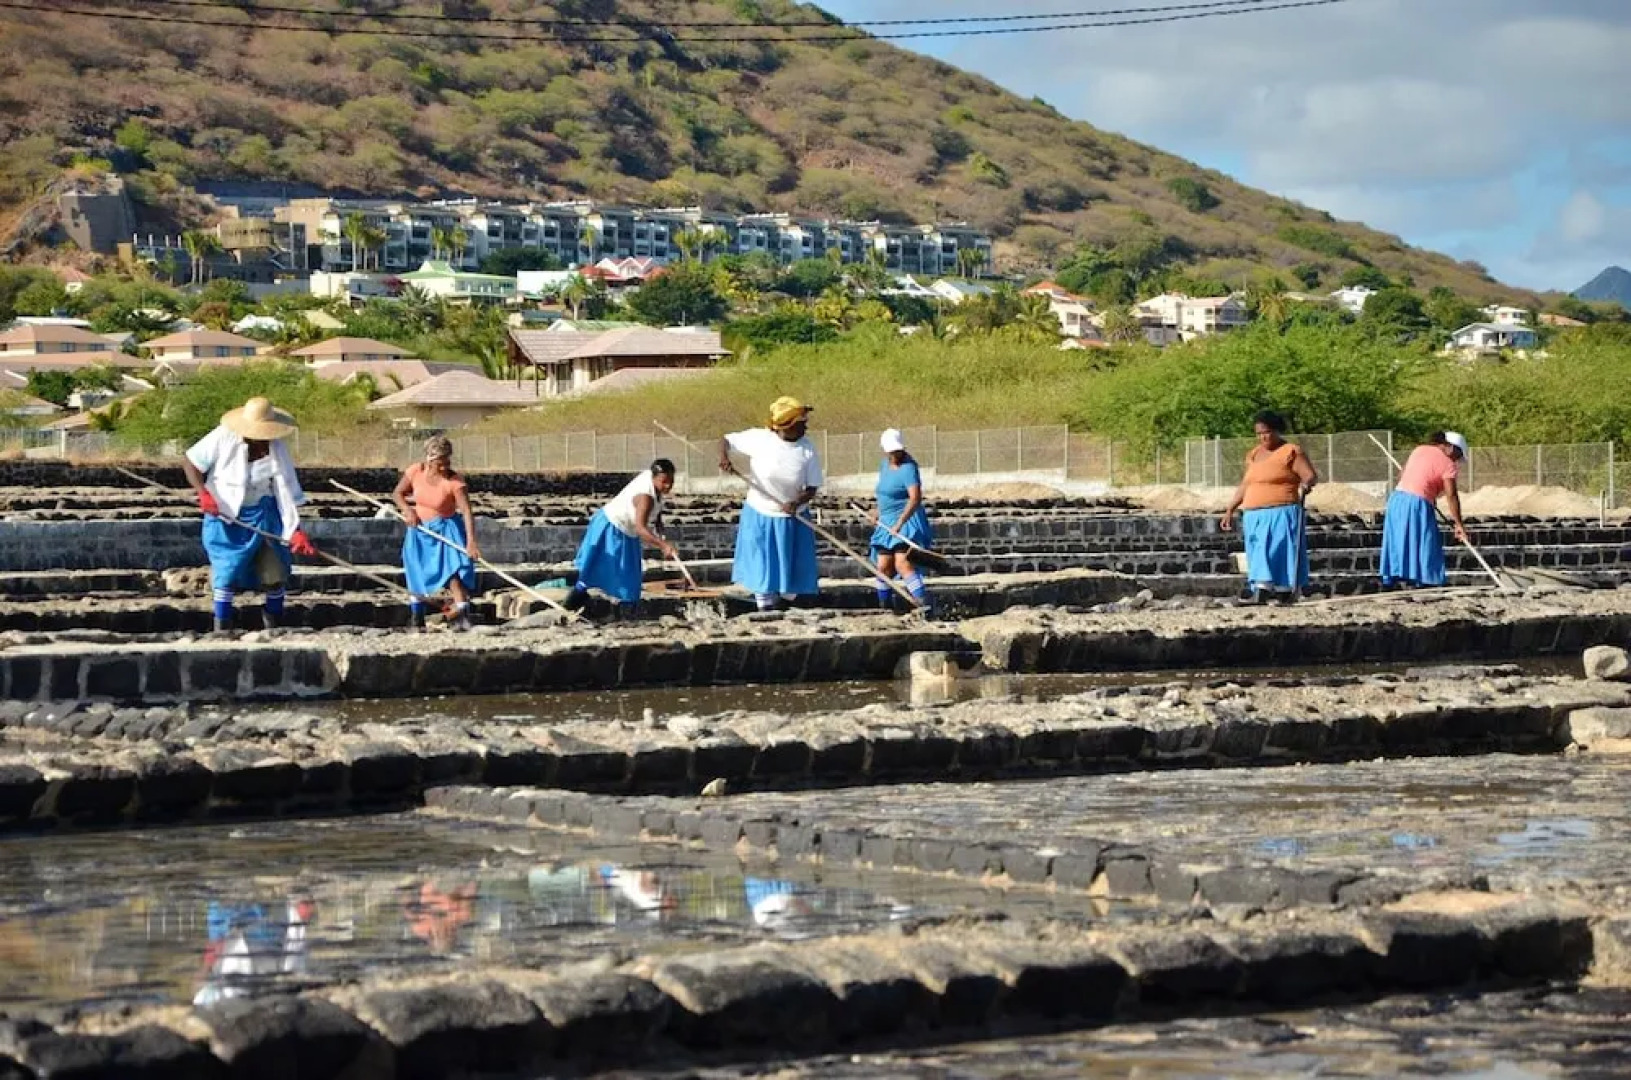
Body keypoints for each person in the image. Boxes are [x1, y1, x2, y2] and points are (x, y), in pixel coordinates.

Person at [181, 396, 315, 633]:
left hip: (265, 515)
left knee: (275, 573)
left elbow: (286, 490)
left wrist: (295, 530)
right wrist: (203, 493)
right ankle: (222, 626)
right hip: (226, 514)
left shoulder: (277, 448)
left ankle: (274, 623)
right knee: (227, 573)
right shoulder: (222, 437)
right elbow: (190, 462)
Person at [718, 397, 823, 612]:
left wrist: (796, 502)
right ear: (788, 425)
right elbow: (725, 440)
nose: (806, 425)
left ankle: (783, 604)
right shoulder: (761, 440)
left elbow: (812, 489)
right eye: (801, 422)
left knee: (792, 574)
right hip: (761, 515)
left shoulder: (807, 449)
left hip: (793, 518)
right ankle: (765, 608)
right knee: (762, 567)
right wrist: (724, 457)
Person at [1220, 410, 1318, 602]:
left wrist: (1306, 485)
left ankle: (1284, 590)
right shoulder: (1254, 454)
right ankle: (1261, 589)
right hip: (1254, 513)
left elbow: (1310, 475)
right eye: (1258, 433)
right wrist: (1230, 508)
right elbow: (1246, 484)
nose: (1263, 437)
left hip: (1281, 510)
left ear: (1276, 430)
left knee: (1279, 550)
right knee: (1258, 551)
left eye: (1266, 432)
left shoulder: (1290, 451)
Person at [563, 459, 678, 616]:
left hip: (626, 531)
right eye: (664, 482)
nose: (668, 486)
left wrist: (658, 521)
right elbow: (641, 528)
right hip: (612, 527)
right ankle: (572, 604)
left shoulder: (652, 483)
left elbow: (656, 505)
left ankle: (626, 611)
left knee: (630, 577)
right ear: (654, 478)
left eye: (671, 481)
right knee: (597, 571)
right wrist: (663, 545)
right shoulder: (645, 497)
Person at [393, 435, 480, 631]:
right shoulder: (416, 471)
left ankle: (462, 617)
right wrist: (408, 511)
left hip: (446, 530)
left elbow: (466, 511)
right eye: (440, 463)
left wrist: (471, 542)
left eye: (447, 462)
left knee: (454, 574)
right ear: (429, 460)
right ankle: (417, 618)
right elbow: (397, 494)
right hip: (419, 530)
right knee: (416, 572)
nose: (444, 467)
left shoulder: (455, 481)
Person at [1380, 431, 1470, 588]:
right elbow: (1452, 495)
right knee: (1425, 541)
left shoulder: (1419, 450)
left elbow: (1403, 475)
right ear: (1450, 447)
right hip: (1416, 504)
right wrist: (1459, 524)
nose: (1457, 459)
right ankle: (1426, 580)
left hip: (1396, 500)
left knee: (1400, 540)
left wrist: (1430, 497)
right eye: (1458, 454)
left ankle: (1399, 578)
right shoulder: (1448, 464)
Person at [868, 428, 934, 614]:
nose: (894, 455)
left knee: (902, 563)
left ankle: (924, 605)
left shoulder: (909, 468)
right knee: (883, 566)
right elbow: (883, 494)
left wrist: (900, 523)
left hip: (907, 521)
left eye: (897, 451)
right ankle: (885, 609)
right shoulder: (884, 466)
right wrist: (877, 512)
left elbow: (915, 498)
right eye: (891, 452)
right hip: (886, 522)